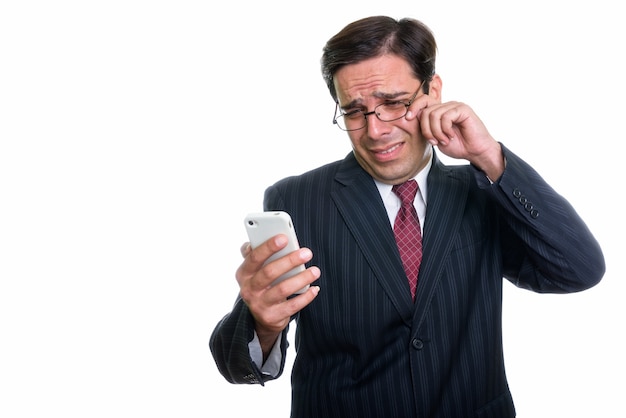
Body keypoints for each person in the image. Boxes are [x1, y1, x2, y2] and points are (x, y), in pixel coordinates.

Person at [209, 16, 605, 418]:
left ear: (432, 91)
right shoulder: (296, 198)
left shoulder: (482, 190)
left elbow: (578, 269)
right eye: (354, 111)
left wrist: (491, 158)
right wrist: (262, 321)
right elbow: (235, 364)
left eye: (394, 104)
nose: (375, 130)